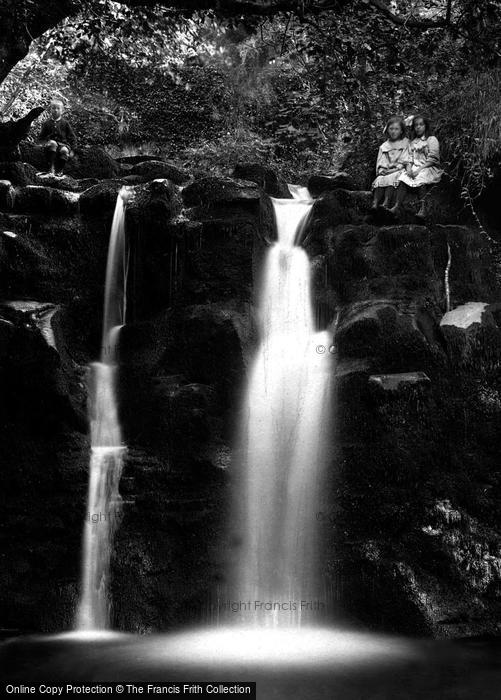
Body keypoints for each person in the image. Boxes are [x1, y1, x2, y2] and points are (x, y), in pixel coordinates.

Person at [389, 115, 443, 219]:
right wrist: (409, 169)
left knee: (421, 177)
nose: (418, 127)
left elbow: (433, 159)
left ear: (425, 126)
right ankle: (396, 206)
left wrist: (419, 170)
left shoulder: (431, 139)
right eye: (416, 125)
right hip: (415, 167)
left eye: (421, 125)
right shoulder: (413, 142)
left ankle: (423, 209)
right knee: (403, 177)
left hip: (427, 167)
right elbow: (409, 159)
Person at [371, 116, 410, 211]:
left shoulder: (406, 143)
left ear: (401, 131)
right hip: (387, 170)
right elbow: (381, 162)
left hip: (399, 169)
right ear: (387, 130)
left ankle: (386, 202)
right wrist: (383, 170)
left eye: (396, 129)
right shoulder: (384, 146)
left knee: (394, 176)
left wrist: (395, 169)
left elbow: (406, 160)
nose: (393, 131)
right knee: (380, 179)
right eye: (391, 129)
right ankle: (375, 203)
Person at [39, 98, 77, 177]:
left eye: (58, 108)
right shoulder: (47, 123)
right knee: (53, 143)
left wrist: (73, 149)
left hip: (63, 144)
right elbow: (41, 137)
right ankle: (51, 168)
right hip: (51, 144)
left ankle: (59, 170)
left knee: (64, 150)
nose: (55, 110)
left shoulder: (65, 123)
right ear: (50, 110)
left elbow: (72, 137)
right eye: (53, 108)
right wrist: (44, 143)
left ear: (62, 111)